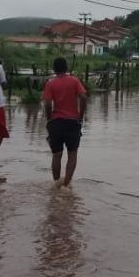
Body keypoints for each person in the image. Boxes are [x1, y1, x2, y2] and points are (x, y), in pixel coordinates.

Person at [42, 57, 88, 188]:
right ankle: (66, 185)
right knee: (72, 154)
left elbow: (47, 104)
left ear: (54, 69)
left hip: (56, 123)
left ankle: (57, 183)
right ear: (66, 67)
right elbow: (84, 97)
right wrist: (81, 115)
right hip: (72, 122)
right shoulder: (74, 81)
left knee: (56, 155)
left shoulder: (50, 83)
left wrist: (49, 119)